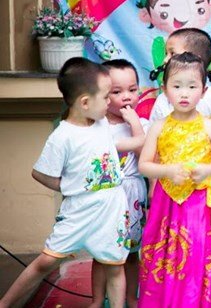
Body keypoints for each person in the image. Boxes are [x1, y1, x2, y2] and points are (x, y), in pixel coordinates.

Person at [0, 58, 130, 308]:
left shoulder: (101, 122)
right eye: (106, 96)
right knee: (47, 261)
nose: (109, 102)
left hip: (111, 210)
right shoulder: (62, 137)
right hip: (78, 211)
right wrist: (66, 186)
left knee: (114, 266)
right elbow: (40, 173)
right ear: (85, 102)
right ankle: (5, 303)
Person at [138, 52, 211, 307]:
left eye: (192, 87)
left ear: (203, 91)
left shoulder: (210, 126)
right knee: (163, 254)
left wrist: (207, 171)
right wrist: (168, 172)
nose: (184, 93)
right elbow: (144, 165)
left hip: (199, 203)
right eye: (177, 86)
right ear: (164, 90)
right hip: (165, 203)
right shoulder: (158, 126)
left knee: (196, 253)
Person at [90, 59, 147, 308]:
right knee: (101, 253)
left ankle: (132, 298)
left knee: (132, 253)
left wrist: (135, 124)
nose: (126, 97)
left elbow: (145, 155)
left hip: (132, 194)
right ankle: (96, 300)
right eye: (117, 91)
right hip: (105, 195)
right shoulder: (95, 125)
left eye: (132, 90)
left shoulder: (142, 125)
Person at [149, 28, 211, 121]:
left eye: (172, 53)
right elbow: (153, 128)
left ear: (194, 58)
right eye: (166, 54)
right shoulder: (163, 100)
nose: (165, 60)